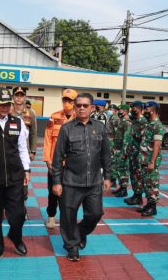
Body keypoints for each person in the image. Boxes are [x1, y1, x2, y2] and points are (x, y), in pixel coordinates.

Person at [52, 93, 111, 262]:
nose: (82, 108)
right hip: (71, 181)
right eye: (79, 105)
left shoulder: (100, 127)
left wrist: (107, 176)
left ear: (92, 108)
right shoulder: (67, 128)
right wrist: (56, 181)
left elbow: (106, 154)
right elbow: (57, 157)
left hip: (94, 181)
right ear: (75, 107)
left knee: (95, 214)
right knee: (68, 216)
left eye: (86, 105)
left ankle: (79, 232)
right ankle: (72, 246)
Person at [0, 87, 30, 266]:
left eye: (7, 104)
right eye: (1, 104)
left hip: (15, 177)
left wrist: (27, 170)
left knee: (18, 214)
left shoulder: (17, 123)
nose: (5, 107)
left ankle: (16, 237)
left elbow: (22, 149)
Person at [43, 88, 77, 229]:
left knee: (70, 193)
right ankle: (51, 216)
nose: (67, 102)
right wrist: (47, 159)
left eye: (70, 100)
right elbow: (48, 138)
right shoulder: (54, 116)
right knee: (53, 192)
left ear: (75, 102)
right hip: (55, 163)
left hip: (72, 164)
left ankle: (67, 218)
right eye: (65, 99)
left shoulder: (79, 118)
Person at [137, 101, 164, 216]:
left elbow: (157, 145)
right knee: (145, 183)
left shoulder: (157, 125)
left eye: (147, 110)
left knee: (152, 183)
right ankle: (148, 204)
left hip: (150, 160)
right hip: (144, 159)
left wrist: (152, 162)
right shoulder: (149, 124)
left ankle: (153, 207)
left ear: (152, 111)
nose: (145, 112)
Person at [124, 101, 147, 206]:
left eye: (134, 109)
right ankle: (135, 194)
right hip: (132, 152)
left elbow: (143, 138)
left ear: (139, 109)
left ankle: (138, 197)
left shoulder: (143, 121)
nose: (132, 110)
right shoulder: (134, 121)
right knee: (133, 174)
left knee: (138, 175)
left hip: (138, 153)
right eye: (131, 108)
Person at [11, 86, 38, 161]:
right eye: (17, 95)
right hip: (10, 151)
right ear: (13, 97)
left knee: (25, 172)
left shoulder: (30, 113)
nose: (19, 98)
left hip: (25, 151)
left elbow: (33, 133)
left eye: (21, 95)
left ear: (25, 97)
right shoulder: (8, 112)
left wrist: (33, 151)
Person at [112, 104, 132, 197]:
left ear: (126, 111)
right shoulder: (121, 121)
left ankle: (124, 189)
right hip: (117, 148)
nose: (120, 111)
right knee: (118, 169)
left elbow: (126, 138)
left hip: (122, 150)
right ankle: (121, 187)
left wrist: (124, 152)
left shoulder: (127, 122)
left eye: (121, 110)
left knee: (123, 169)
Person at [106, 104, 119, 187]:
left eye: (112, 109)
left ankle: (113, 180)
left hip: (112, 142)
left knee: (112, 161)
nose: (110, 110)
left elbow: (117, 132)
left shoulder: (115, 118)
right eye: (109, 109)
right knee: (109, 160)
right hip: (109, 141)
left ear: (115, 110)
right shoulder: (110, 118)